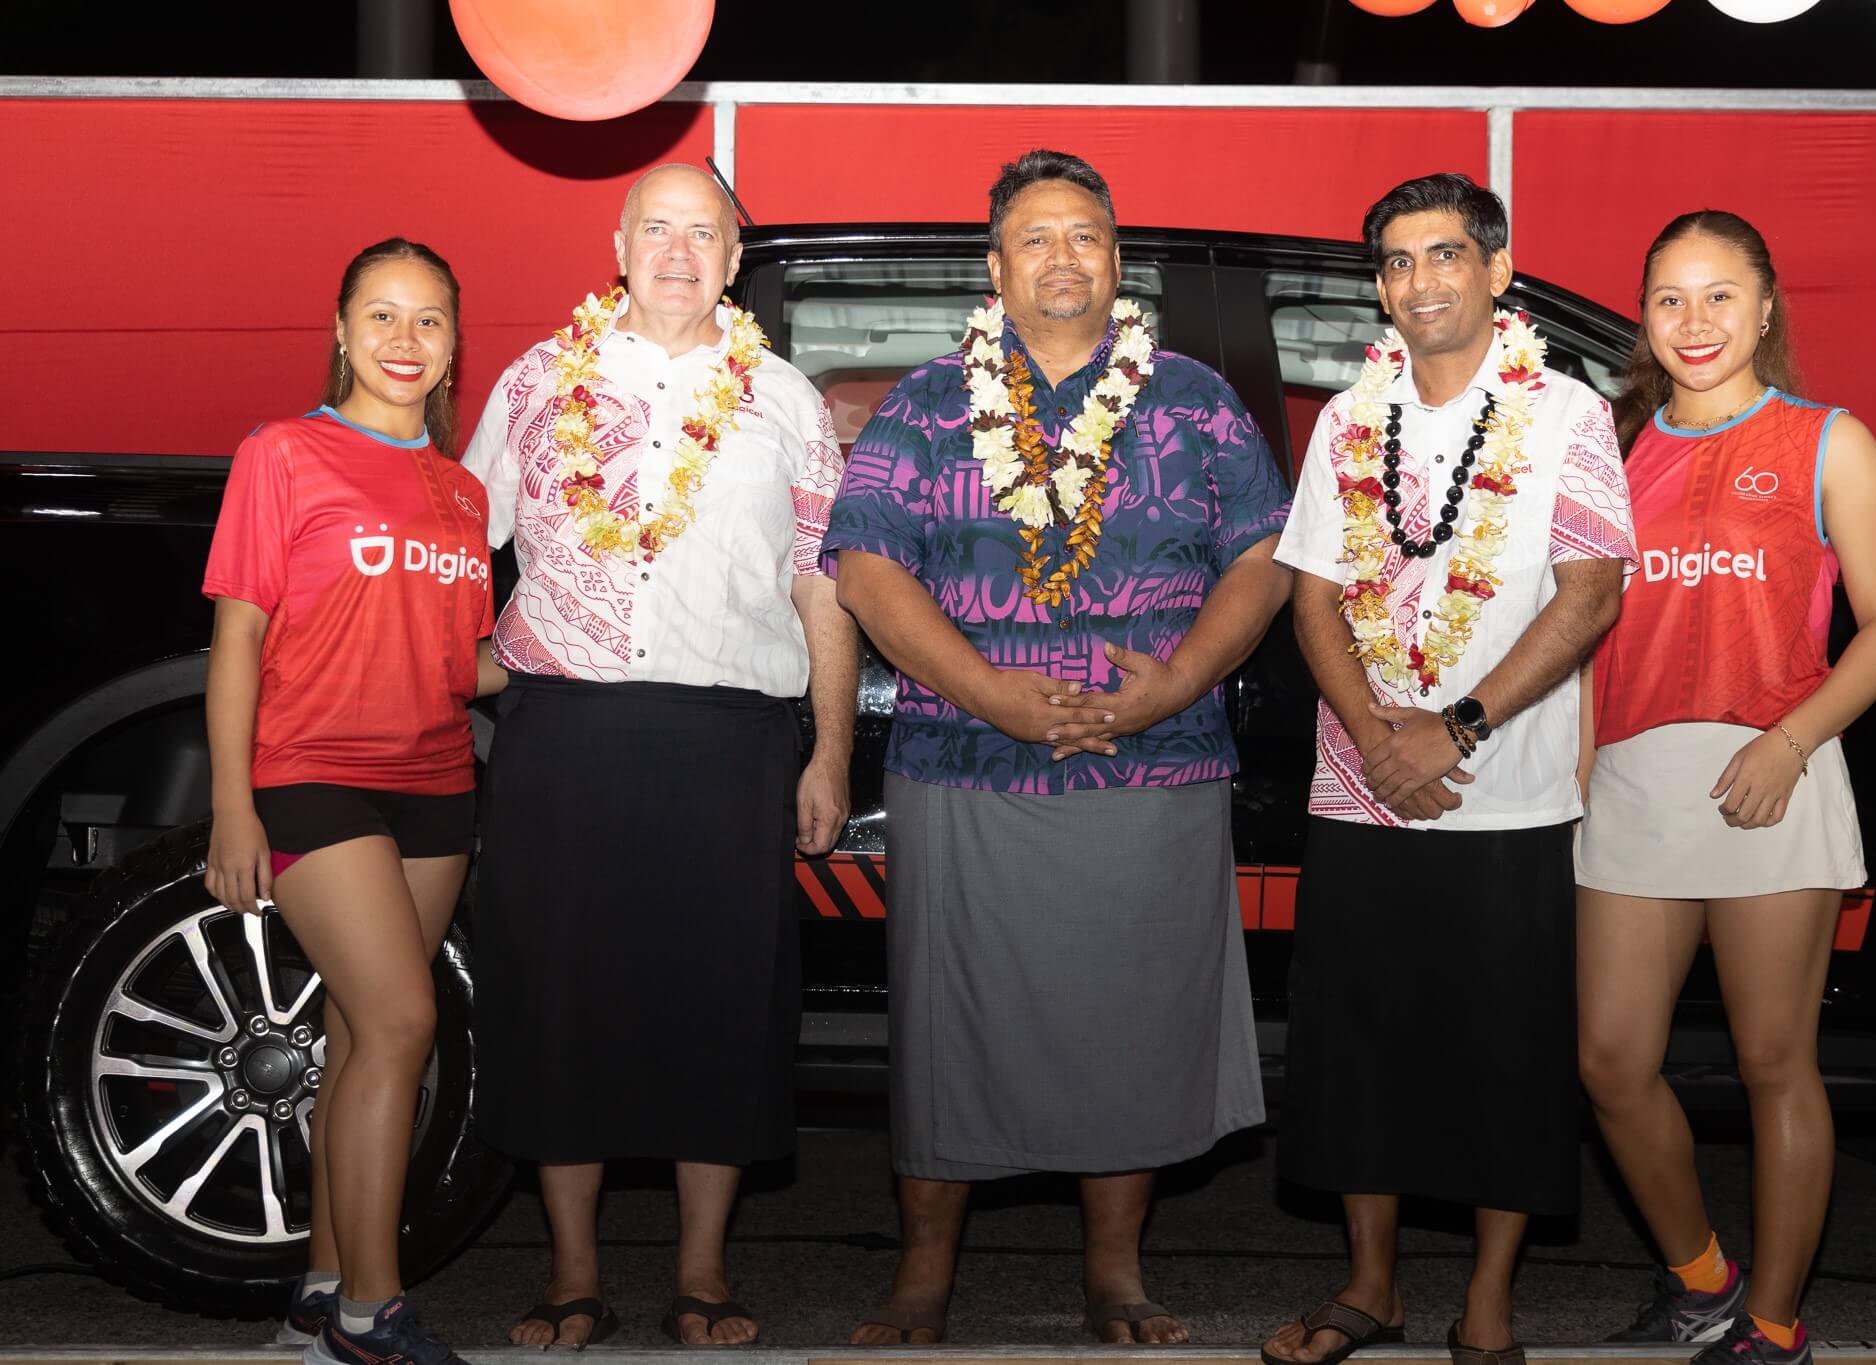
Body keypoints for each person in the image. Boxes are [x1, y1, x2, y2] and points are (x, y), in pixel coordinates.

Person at [822, 148, 1292, 1346]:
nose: (1063, 256)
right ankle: (922, 1275)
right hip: (965, 764)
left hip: (1156, 761)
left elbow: (1263, 555)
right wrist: (990, 692)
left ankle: (1115, 1273)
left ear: (1117, 262)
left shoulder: (1191, 399)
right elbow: (866, 566)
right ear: (994, 269)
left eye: (1085, 234)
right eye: (1035, 236)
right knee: (949, 1027)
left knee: (1126, 1021)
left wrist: (1173, 682)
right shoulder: (926, 405)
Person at [461, 163, 856, 1349]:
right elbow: (456, 546)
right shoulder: (538, 382)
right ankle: (569, 1276)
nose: (679, 251)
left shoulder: (784, 400)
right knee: (558, 1004)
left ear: (734, 260)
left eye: (705, 234)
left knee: (720, 1010)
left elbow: (818, 588)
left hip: (729, 743)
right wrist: (438, 676)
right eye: (658, 229)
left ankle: (701, 1276)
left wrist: (828, 752)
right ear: (618, 242)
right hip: (565, 737)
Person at [1262, 172, 1637, 1365]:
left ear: (1494, 269)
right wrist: (1378, 735)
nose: (1416, 282)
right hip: (1358, 782)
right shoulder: (1343, 420)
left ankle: (1487, 1299)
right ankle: (1368, 1287)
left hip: (1508, 791)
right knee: (1357, 1043)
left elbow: (1589, 595)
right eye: (1394, 262)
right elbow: (1312, 591)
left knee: (1503, 1055)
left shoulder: (1567, 414)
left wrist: (1456, 725)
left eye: (1440, 256)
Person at [1575, 211, 1876, 1365]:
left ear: (1764, 307)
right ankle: (1701, 1280)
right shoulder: (1608, 448)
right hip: (1630, 779)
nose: (1694, 322)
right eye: (1669, 298)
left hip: (1773, 773)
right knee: (1611, 1063)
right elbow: (1584, 636)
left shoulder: (1829, 440)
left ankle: (1770, 1327)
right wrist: (1576, 782)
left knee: (1774, 1061)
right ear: (1643, 318)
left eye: (1719, 296)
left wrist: (1786, 741)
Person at [203, 238, 497, 1365]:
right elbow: (239, 637)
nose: (405, 342)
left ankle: (319, 1299)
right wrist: (237, 806)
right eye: (382, 317)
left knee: (354, 1034)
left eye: (429, 320)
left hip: (435, 786)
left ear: (454, 341)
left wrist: (595, 646)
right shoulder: (283, 455)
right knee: (403, 1023)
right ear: (339, 330)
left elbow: (465, 662)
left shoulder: (461, 490)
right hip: (314, 775)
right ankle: (378, 1313)